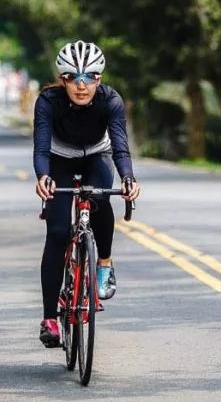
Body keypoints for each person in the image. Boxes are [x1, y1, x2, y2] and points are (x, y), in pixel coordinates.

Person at [33, 40, 141, 348]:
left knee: (100, 198)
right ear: (62, 79)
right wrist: (43, 177)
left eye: (90, 77)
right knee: (55, 232)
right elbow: (41, 148)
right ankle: (50, 318)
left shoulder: (111, 101)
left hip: (96, 154)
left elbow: (120, 146)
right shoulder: (48, 102)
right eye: (74, 78)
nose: (82, 86)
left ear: (99, 79)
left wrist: (129, 178)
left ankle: (104, 264)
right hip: (58, 159)